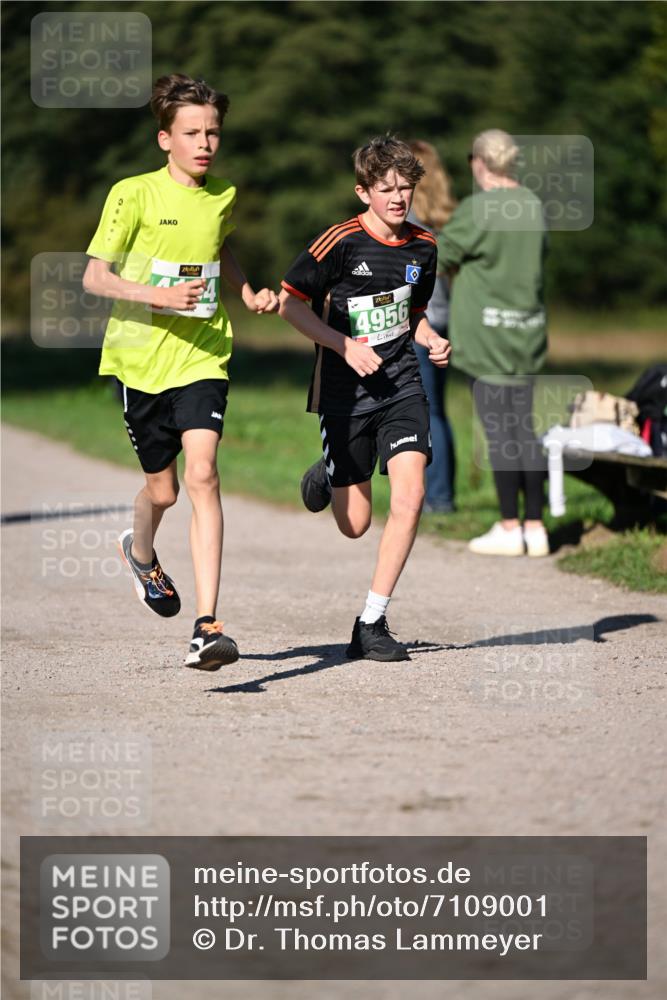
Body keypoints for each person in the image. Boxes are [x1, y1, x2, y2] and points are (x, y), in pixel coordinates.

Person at [83, 73, 279, 669]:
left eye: (213, 132)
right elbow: (95, 277)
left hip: (203, 355)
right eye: (192, 132)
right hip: (140, 361)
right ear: (165, 138)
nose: (205, 143)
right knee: (161, 490)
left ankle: (207, 624)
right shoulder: (132, 193)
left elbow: (219, 250)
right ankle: (140, 554)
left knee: (203, 475)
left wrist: (244, 294)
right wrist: (157, 297)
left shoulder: (222, 194)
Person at [279, 136, 451, 661]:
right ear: (364, 192)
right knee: (354, 525)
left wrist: (431, 339)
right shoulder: (340, 242)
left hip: (401, 385)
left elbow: (413, 314)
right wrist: (342, 344)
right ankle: (329, 472)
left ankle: (371, 622)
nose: (398, 197)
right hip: (344, 391)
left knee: (411, 497)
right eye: (386, 189)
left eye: (406, 187)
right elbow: (290, 304)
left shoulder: (424, 246)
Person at [438, 129, 549, 557]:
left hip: (488, 336)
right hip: (527, 331)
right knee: (525, 427)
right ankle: (535, 526)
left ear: (479, 162)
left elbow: (441, 256)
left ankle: (508, 525)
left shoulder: (478, 208)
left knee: (499, 430)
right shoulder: (534, 205)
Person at [407, 140, 457, 513]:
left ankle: (435, 497)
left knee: (418, 412)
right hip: (445, 321)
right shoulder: (447, 221)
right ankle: (440, 493)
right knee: (436, 410)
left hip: (417, 324)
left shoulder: (407, 225)